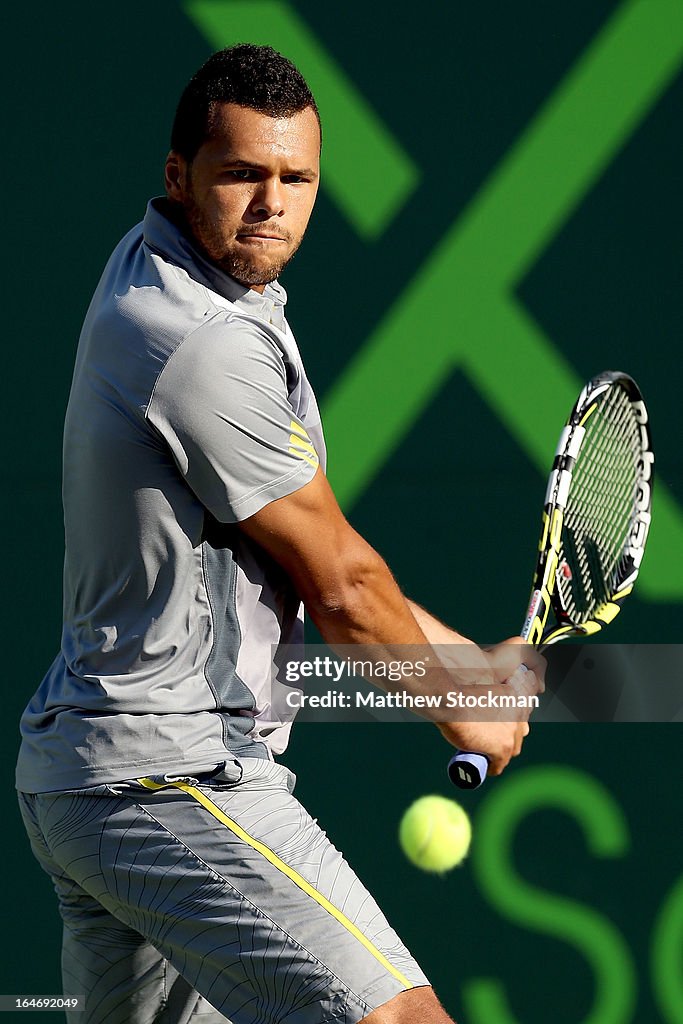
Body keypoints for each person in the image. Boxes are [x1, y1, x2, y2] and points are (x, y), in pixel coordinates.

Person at [16, 45, 543, 1024]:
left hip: (85, 780)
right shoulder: (202, 342)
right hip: (169, 774)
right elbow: (341, 585)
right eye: (241, 175)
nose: (270, 202)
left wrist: (466, 663)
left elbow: (304, 558)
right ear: (178, 179)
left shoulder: (169, 273)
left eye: (294, 178)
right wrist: (464, 695)